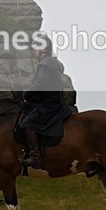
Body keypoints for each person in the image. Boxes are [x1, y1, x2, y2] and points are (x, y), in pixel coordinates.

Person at [18, 36, 71, 169]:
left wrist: (26, 94)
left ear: (43, 48)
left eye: (35, 48)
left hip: (49, 105)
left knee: (27, 124)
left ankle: (35, 157)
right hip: (47, 102)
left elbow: (40, 84)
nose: (33, 51)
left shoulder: (45, 63)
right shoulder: (48, 63)